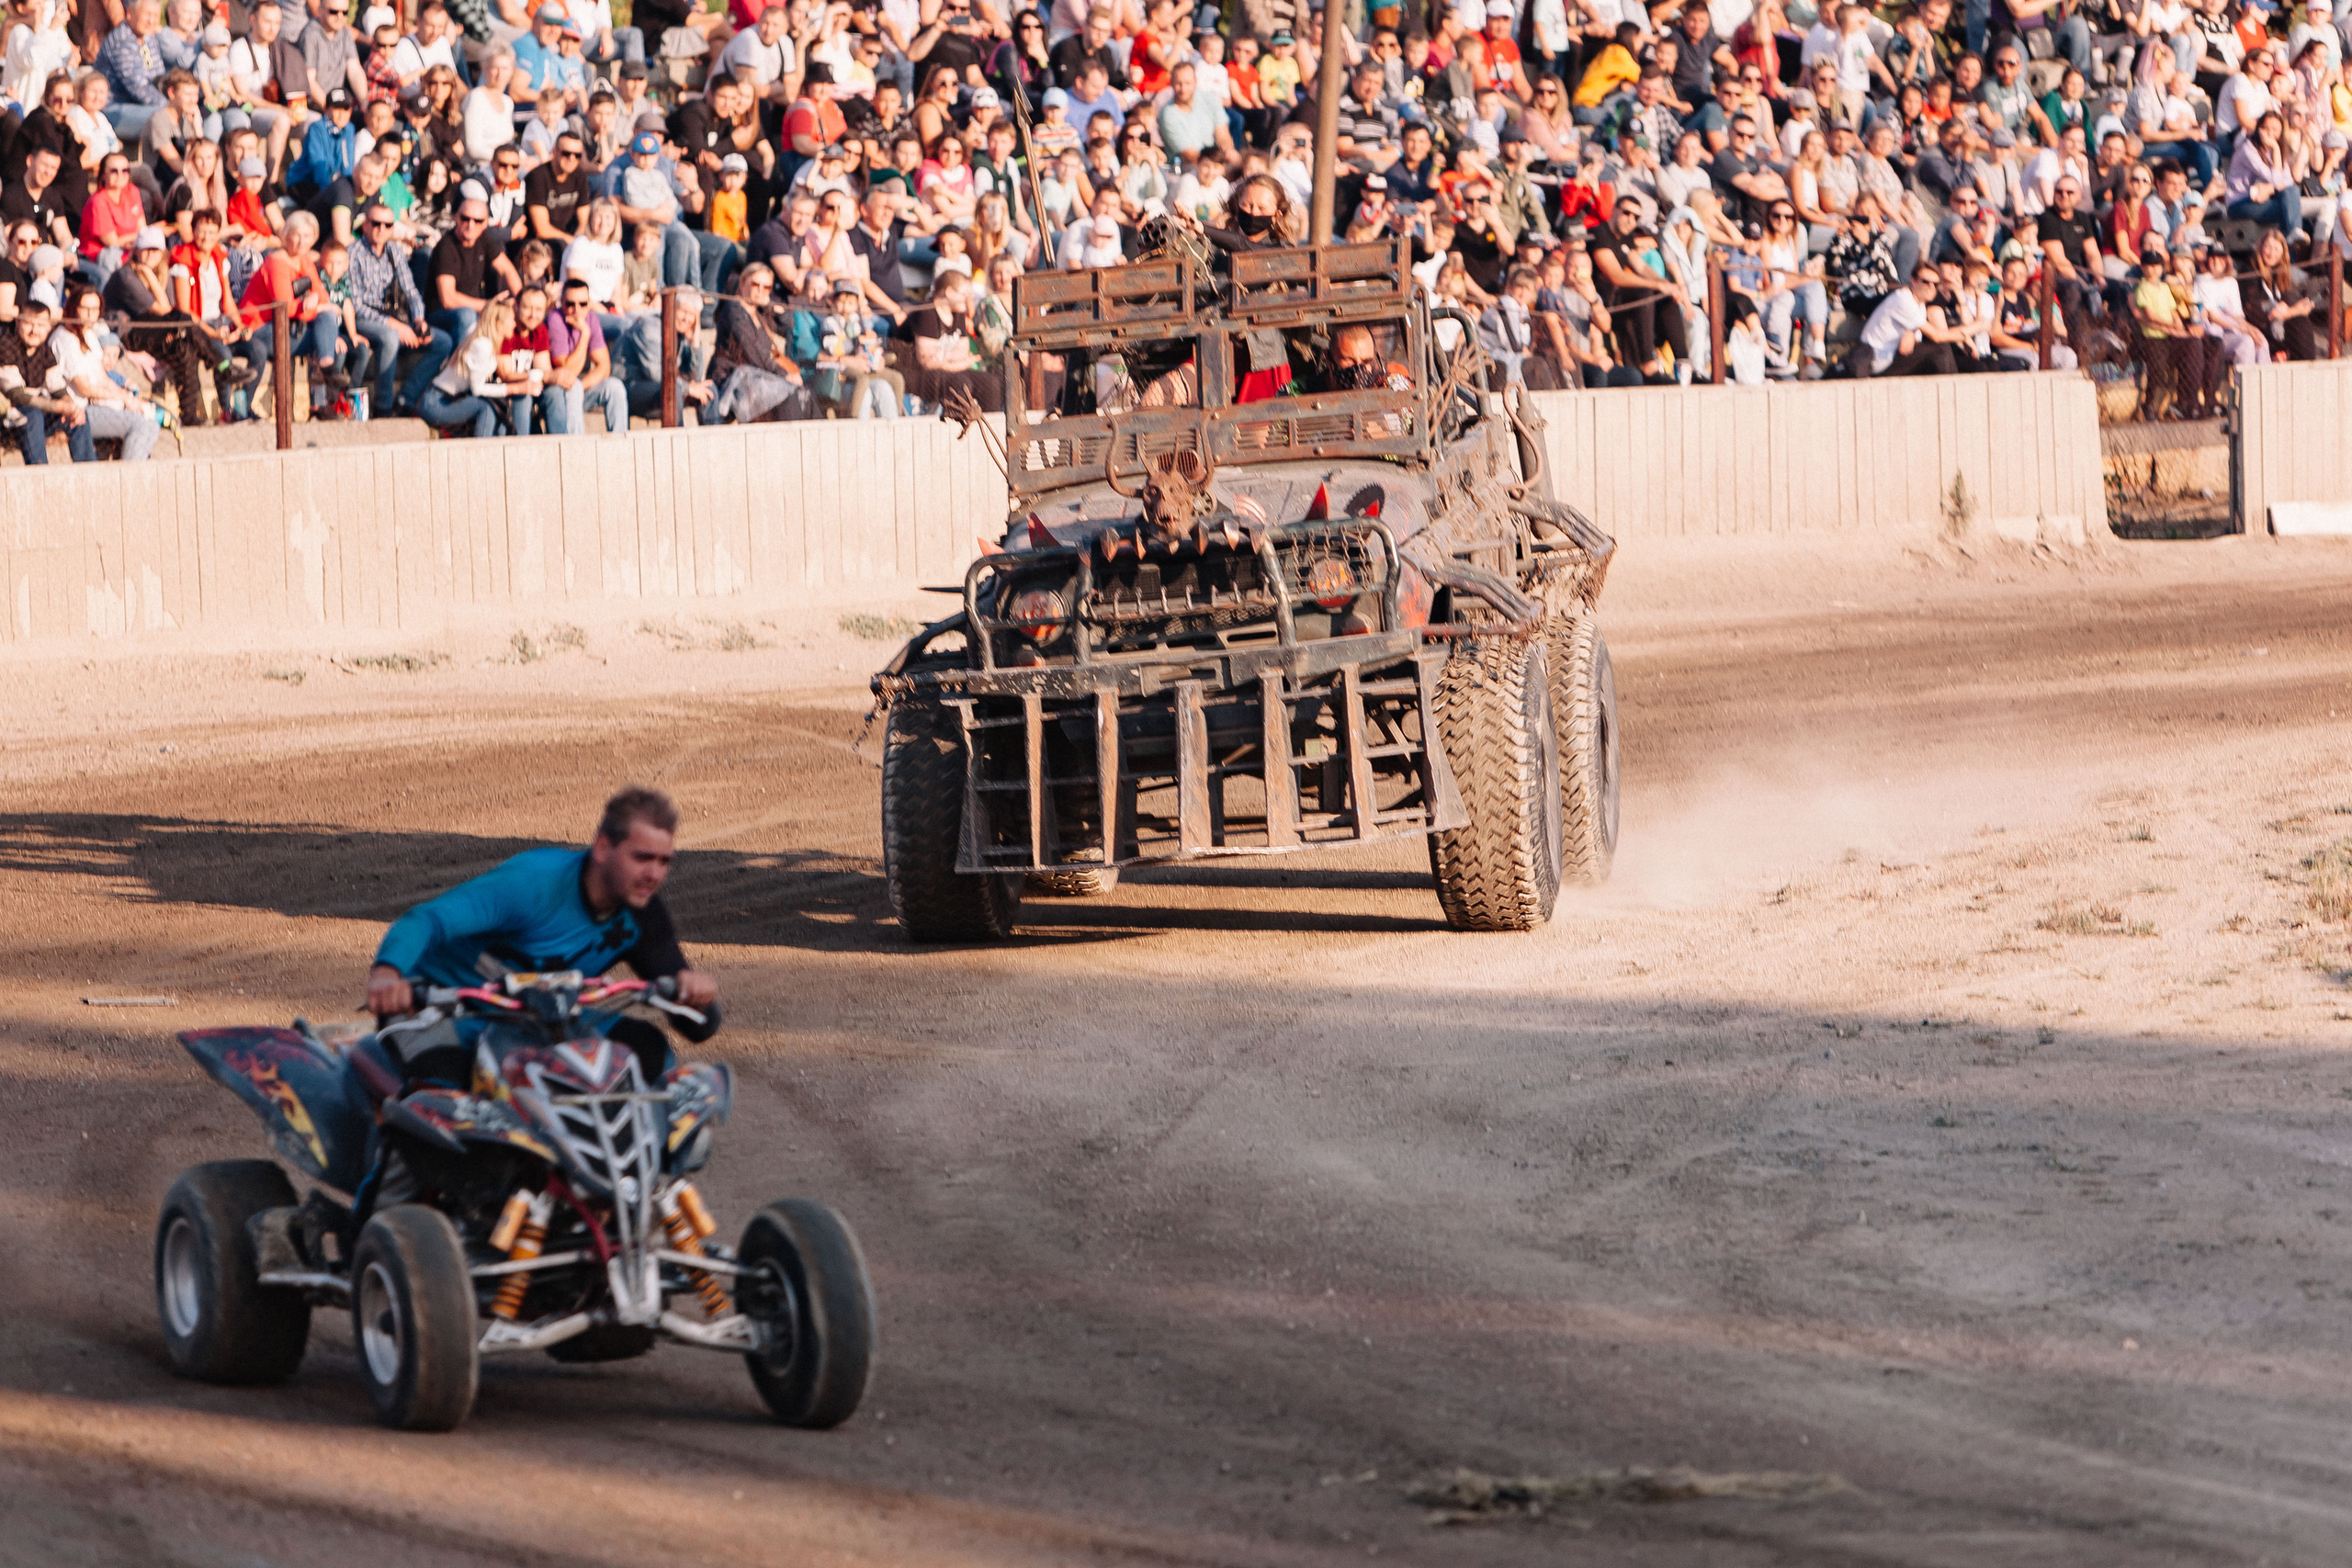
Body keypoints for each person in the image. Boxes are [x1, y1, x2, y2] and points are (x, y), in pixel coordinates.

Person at [364, 786, 720, 1089]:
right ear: (602, 848)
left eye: (664, 861)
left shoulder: (642, 915)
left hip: (535, 1024)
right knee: (445, 1100)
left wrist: (696, 997)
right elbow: (427, 920)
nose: (654, 874)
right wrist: (387, 974)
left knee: (648, 1052)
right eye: (642, 858)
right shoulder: (533, 884)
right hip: (440, 1009)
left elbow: (698, 1026)